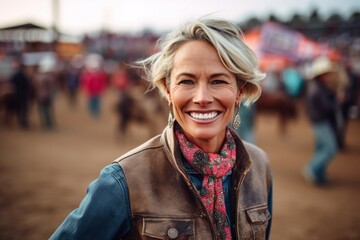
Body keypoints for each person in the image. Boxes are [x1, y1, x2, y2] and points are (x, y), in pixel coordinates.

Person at [50, 17, 272, 240]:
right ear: (167, 90)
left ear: (240, 91)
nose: (202, 98)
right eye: (187, 81)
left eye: (218, 81)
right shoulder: (123, 181)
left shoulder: (258, 167)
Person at [303, 56, 341, 185]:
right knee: (330, 148)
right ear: (322, 74)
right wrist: (337, 101)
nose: (329, 76)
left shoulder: (316, 86)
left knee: (321, 147)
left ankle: (319, 173)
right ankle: (313, 169)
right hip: (321, 121)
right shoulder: (318, 88)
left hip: (318, 120)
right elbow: (326, 107)